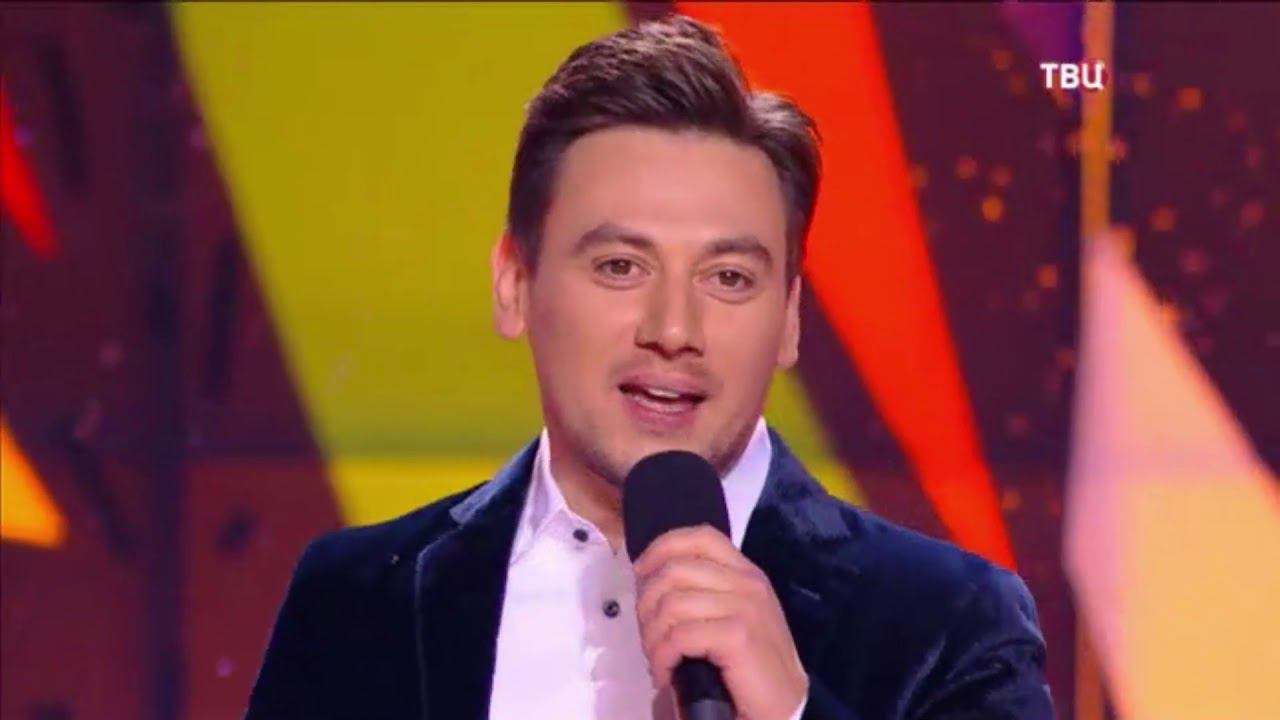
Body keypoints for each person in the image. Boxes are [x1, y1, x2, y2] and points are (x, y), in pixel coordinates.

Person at [245, 14, 1053, 720]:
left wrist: (793, 713)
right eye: (621, 267)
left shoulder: (950, 623)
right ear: (515, 284)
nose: (674, 330)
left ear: (789, 318)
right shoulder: (355, 600)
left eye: (728, 278)